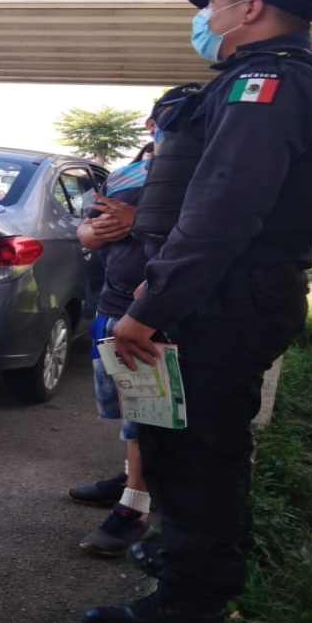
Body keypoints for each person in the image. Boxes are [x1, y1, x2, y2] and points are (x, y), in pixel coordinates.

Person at [82, 0, 312, 623]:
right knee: (179, 448)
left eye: (212, 2)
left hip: (218, 305)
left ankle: (190, 610)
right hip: (216, 298)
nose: (204, 17)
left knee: (197, 455)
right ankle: (184, 586)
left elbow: (224, 208)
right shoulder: (258, 81)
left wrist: (150, 308)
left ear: (252, 7)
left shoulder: (270, 83)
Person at [69, 82, 202, 559]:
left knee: (149, 414)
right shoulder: (124, 175)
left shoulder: (208, 178)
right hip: (111, 308)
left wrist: (140, 218)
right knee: (130, 412)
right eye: (174, 118)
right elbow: (85, 233)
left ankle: (136, 508)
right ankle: (132, 478)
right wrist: (97, 231)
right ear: (152, 124)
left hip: (154, 317)